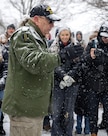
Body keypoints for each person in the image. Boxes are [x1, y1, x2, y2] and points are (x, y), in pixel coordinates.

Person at [1, 4, 63, 136]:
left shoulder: (36, 36)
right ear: (36, 19)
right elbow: (34, 62)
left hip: (31, 107)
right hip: (24, 108)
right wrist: (61, 56)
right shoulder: (24, 34)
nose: (52, 25)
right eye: (49, 21)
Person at [49, 26, 83, 136]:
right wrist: (63, 75)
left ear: (70, 35)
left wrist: (70, 76)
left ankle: (67, 133)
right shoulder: (52, 47)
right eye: (62, 35)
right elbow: (53, 64)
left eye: (66, 34)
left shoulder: (76, 47)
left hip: (72, 83)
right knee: (57, 112)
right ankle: (56, 133)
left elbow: (79, 64)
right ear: (58, 36)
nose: (64, 37)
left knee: (68, 112)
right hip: (57, 83)